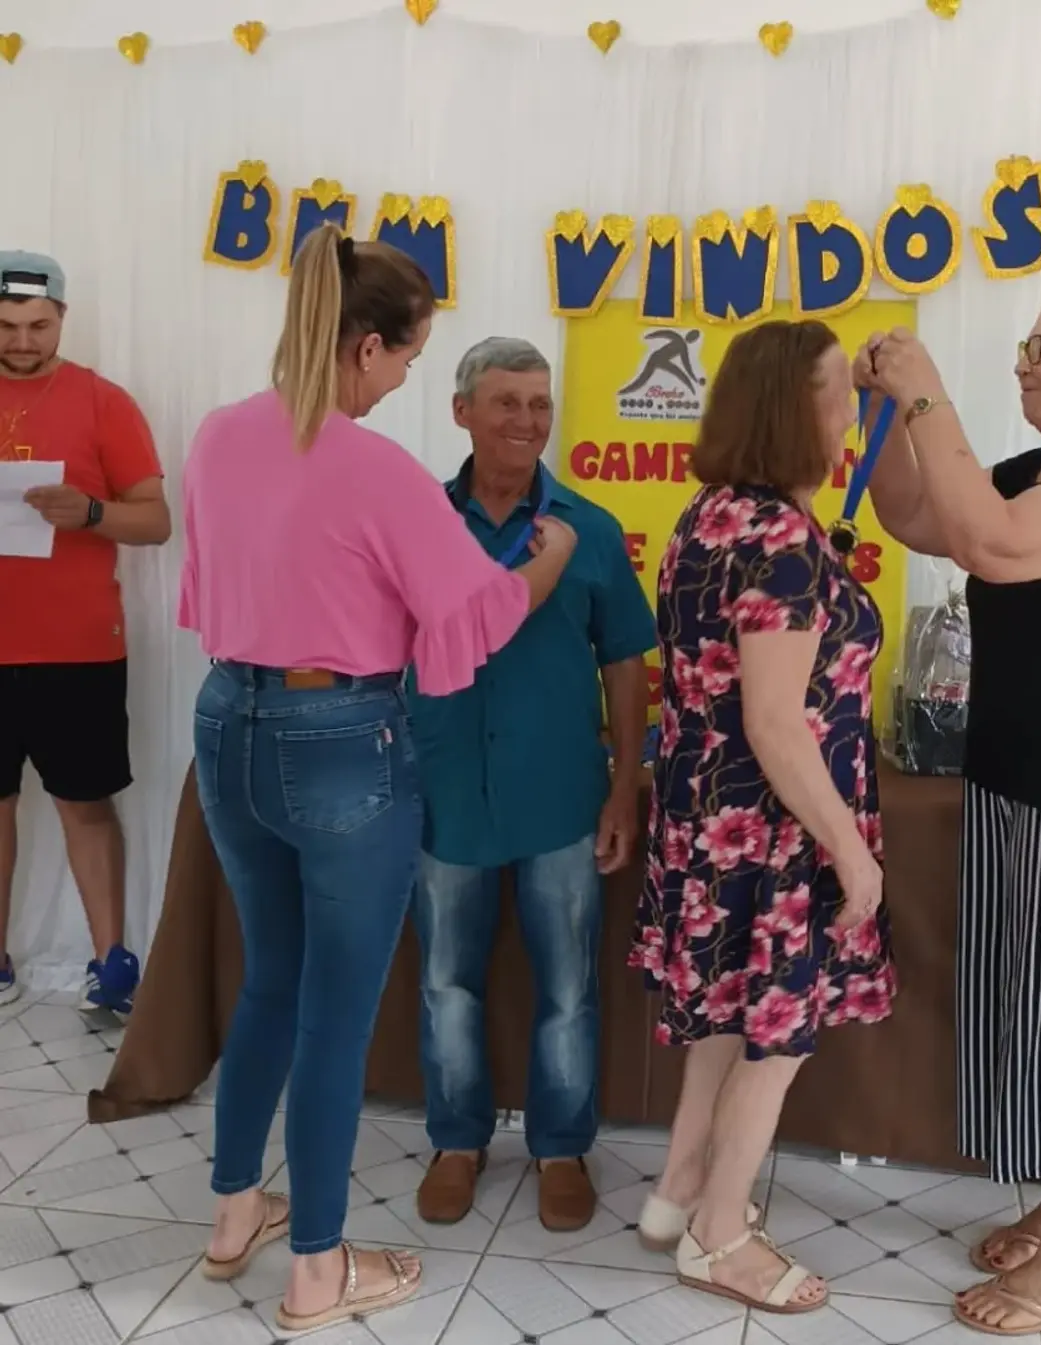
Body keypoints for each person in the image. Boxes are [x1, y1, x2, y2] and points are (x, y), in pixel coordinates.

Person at [179, 233, 576, 1334]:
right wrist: (541, 558)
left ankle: (232, 1215)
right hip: (344, 739)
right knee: (334, 1018)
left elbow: (211, 581)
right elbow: (476, 613)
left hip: (228, 722)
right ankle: (317, 1269)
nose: (407, 377)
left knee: (271, 981)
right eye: (408, 358)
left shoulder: (219, 436)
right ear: (366, 346)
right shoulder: (375, 468)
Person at [629, 320, 896, 1315]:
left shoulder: (709, 516)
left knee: (721, 1016)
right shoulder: (782, 544)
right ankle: (720, 1233)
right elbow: (778, 726)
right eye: (839, 395)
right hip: (773, 834)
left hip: (708, 823)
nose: (850, 414)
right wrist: (850, 852)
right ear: (799, 409)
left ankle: (676, 1190)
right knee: (772, 1035)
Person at [863, 295, 1041, 1337]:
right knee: (1031, 1008)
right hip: (1013, 780)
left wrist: (929, 392)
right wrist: (890, 411)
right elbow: (918, 517)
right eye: (1025, 345)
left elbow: (990, 544)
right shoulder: (1028, 477)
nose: (1026, 363)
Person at [409, 337, 655, 1232]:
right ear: (462, 410)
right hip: (445, 797)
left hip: (560, 799)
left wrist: (625, 787)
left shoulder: (586, 529)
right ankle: (457, 1142)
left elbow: (628, 664)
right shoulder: (418, 525)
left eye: (540, 403)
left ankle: (560, 1148)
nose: (526, 420)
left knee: (567, 987)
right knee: (447, 984)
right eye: (506, 401)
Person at [0, 250, 170, 1014]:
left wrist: (92, 513)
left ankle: (111, 961)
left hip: (77, 648)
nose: (24, 340)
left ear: (63, 317)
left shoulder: (105, 402)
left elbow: (157, 520)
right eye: (7, 326)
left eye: (38, 325)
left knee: (86, 806)